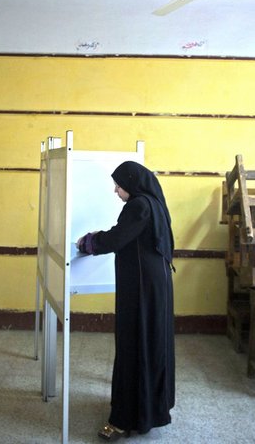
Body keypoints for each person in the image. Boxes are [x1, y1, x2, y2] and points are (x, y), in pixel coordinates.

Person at [77, 161, 176, 441]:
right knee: (151, 342)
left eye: (119, 185)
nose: (115, 190)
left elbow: (116, 239)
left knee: (135, 343)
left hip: (141, 288)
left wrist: (88, 242)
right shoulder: (154, 203)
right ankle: (149, 409)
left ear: (131, 184)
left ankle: (123, 420)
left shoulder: (138, 206)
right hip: (154, 284)